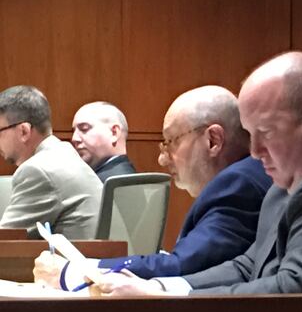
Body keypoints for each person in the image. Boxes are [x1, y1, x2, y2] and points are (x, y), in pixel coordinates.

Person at [93, 52, 302, 296]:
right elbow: (250, 263)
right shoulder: (298, 174)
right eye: (249, 133)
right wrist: (161, 287)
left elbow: (296, 293)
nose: (254, 151)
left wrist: (165, 300)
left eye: (266, 132)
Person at [33, 86, 274, 286]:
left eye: (171, 142)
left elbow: (184, 266)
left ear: (213, 140)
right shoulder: (243, 177)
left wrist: (76, 271)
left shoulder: (238, 185)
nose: (162, 159)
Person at [0, 86, 101, 238]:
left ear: (24, 131)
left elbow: (5, 240)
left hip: (75, 260)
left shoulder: (38, 170)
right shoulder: (63, 152)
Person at [71, 101, 136, 182]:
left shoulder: (112, 184)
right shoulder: (127, 177)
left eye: (84, 129)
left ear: (114, 133)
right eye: (73, 131)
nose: (74, 138)